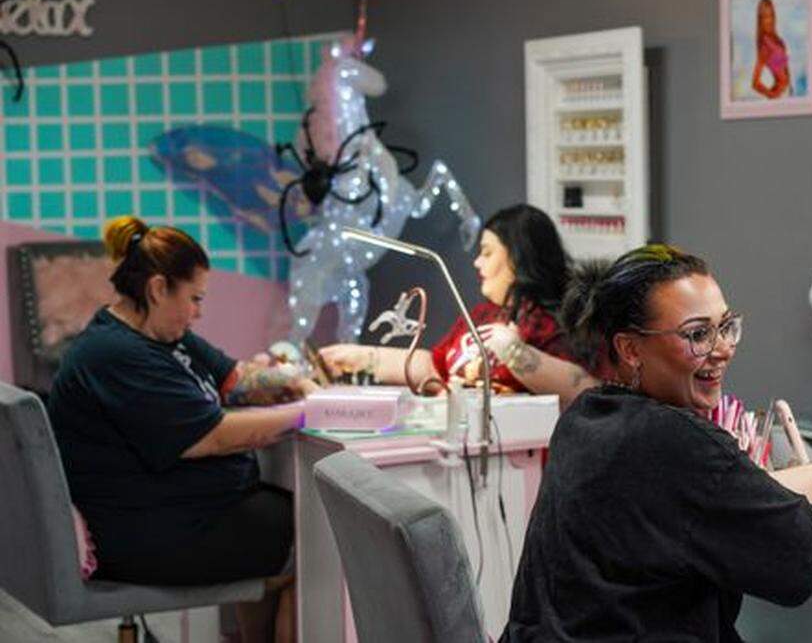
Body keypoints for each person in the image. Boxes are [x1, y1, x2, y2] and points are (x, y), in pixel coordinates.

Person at [500, 244, 812, 641]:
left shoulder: (587, 417)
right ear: (631, 349)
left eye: (726, 326)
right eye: (698, 334)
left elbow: (723, 494)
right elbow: (798, 550)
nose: (723, 348)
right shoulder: (675, 441)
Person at [48, 216, 316, 643]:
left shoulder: (164, 334)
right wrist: (306, 414)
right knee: (317, 537)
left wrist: (296, 383)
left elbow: (235, 379)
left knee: (291, 520)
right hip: (148, 534)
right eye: (194, 298)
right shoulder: (115, 355)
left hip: (186, 511)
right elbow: (211, 437)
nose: (198, 313)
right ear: (158, 289)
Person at [320, 203, 581, 405]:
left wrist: (515, 353)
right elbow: (435, 367)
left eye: (487, 252)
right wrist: (362, 358)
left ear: (518, 257)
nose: (477, 262)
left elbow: (582, 389)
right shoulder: (483, 315)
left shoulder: (555, 323)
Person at [751, 0, 790, 99]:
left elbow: (786, 74)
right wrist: (772, 95)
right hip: (780, 95)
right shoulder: (764, 46)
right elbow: (755, 83)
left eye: (771, 15)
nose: (769, 20)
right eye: (765, 17)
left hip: (788, 93)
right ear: (760, 20)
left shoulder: (779, 41)